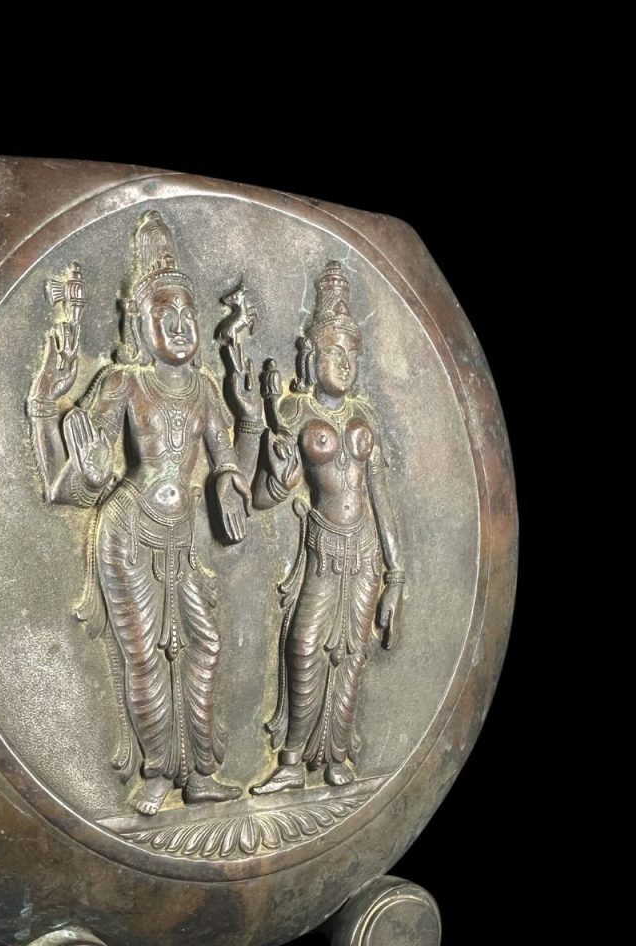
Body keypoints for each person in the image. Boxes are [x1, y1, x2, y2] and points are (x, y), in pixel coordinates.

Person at [27, 211, 262, 816]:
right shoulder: (123, 383)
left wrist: (235, 468)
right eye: (165, 315)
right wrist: (85, 461)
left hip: (180, 537)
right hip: (128, 530)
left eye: (187, 314)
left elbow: (227, 462)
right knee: (145, 654)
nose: (180, 326)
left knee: (204, 647)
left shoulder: (205, 389)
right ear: (141, 324)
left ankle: (200, 773)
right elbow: (74, 479)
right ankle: (158, 773)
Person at [250, 260, 406, 795]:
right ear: (310, 358)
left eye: (352, 354)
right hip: (323, 549)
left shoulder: (366, 419)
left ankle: (337, 756)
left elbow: (382, 499)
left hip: (364, 553)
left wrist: (396, 578)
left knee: (353, 653)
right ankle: (292, 759)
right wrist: (277, 476)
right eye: (334, 352)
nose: (345, 363)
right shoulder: (294, 413)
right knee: (305, 646)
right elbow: (263, 498)